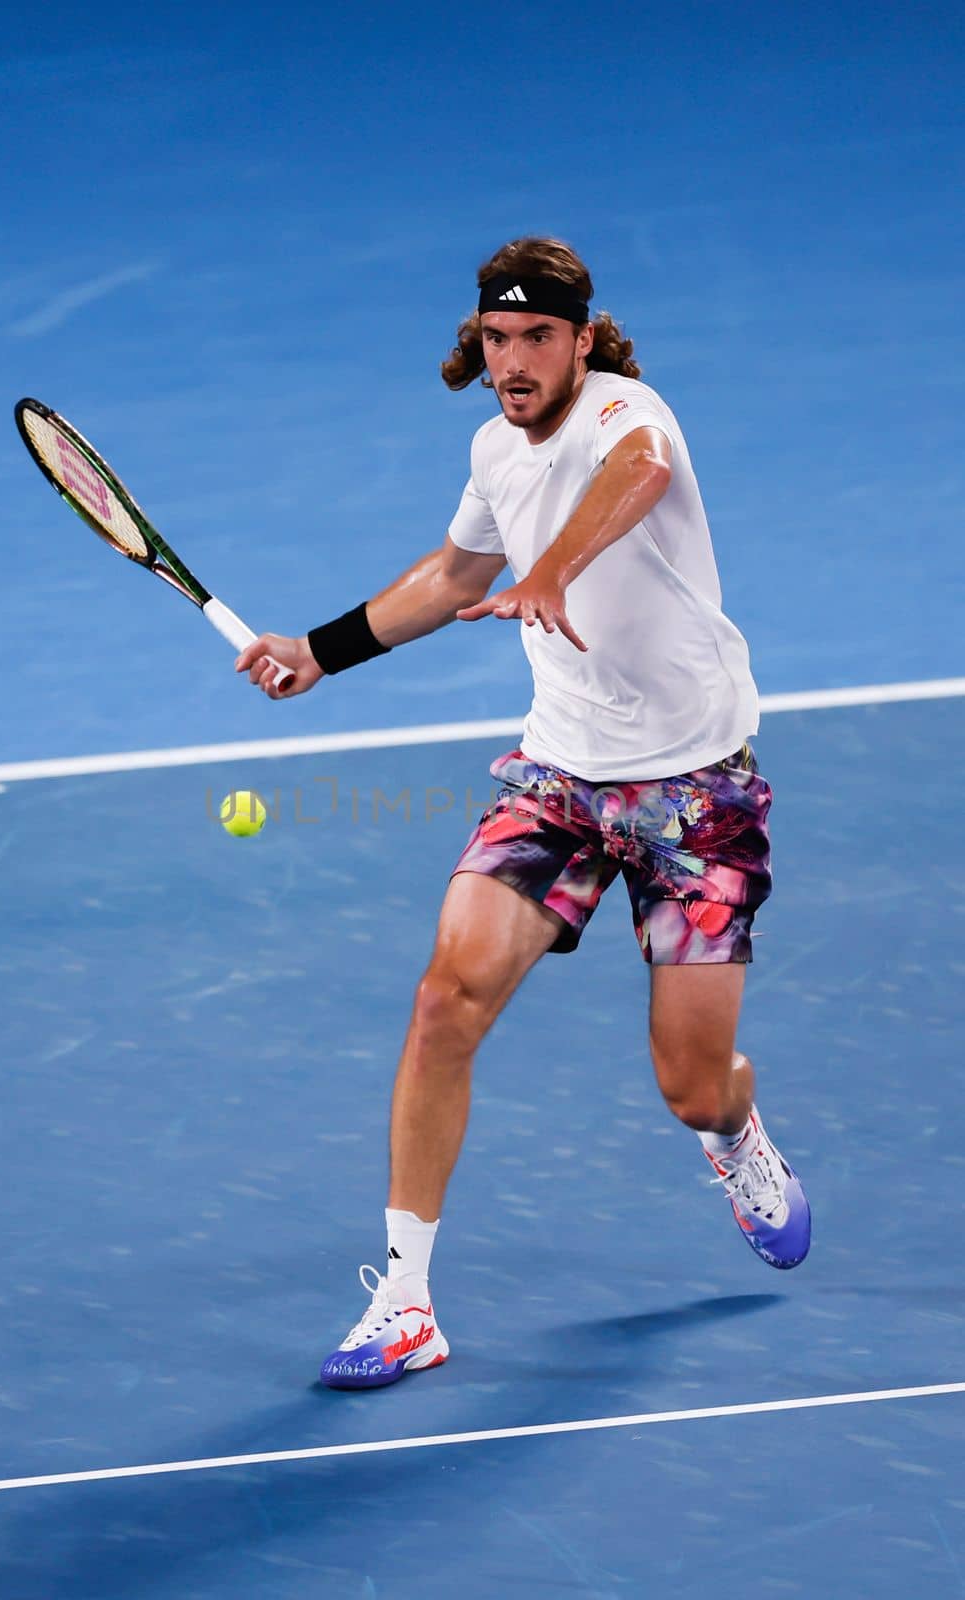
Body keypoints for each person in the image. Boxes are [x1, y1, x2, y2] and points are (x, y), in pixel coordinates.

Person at [236, 236, 811, 1390]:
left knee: (690, 1082)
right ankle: (404, 1300)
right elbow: (453, 575)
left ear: (580, 340)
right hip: (558, 777)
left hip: (695, 789)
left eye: (536, 337)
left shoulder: (625, 413)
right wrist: (319, 653)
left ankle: (730, 1132)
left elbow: (636, 472)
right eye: (497, 338)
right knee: (443, 998)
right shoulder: (493, 446)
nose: (514, 360)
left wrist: (551, 567)